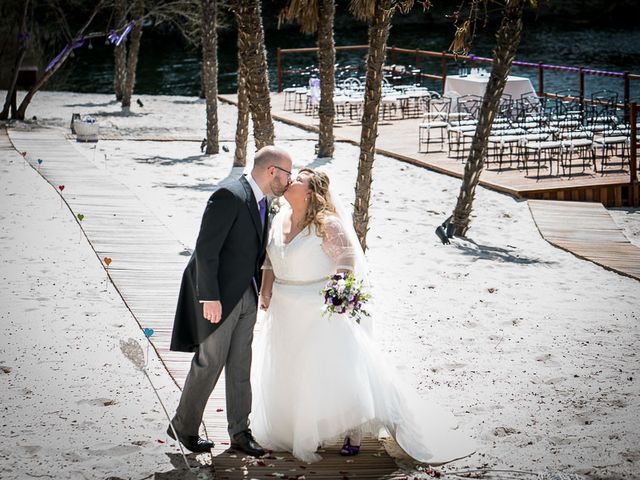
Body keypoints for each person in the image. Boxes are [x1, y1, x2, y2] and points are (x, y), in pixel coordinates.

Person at [251, 168, 476, 464]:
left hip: (317, 307)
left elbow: (347, 259)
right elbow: (269, 259)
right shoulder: (280, 218)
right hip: (284, 306)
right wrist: (265, 294)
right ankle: (302, 428)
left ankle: (353, 429)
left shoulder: (327, 223)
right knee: (293, 369)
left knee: (333, 368)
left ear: (309, 191)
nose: (291, 178)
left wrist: (339, 287)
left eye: (300, 177)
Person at [167, 146, 293, 456]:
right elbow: (206, 250)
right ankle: (184, 426)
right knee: (209, 363)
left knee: (240, 364)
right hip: (219, 297)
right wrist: (209, 297)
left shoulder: (265, 203)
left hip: (246, 294)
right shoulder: (229, 194)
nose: (289, 181)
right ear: (272, 171)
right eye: (288, 173)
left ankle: (240, 431)